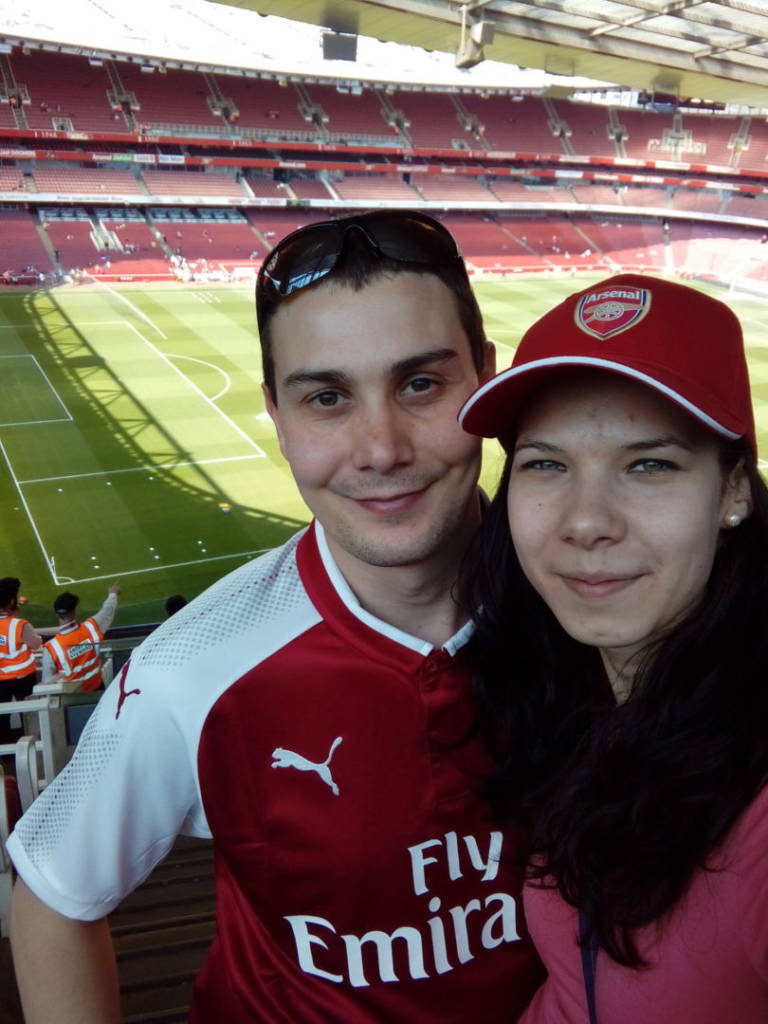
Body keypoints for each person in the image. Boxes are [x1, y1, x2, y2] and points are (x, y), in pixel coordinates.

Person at [8, 211, 544, 1024]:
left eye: (421, 384)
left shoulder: (593, 614)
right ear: (277, 415)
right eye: (327, 397)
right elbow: (54, 895)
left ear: (486, 381)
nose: (381, 448)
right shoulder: (192, 669)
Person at [459, 274, 768, 1022]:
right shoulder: (567, 698)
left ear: (732, 490)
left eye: (648, 464)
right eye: (546, 463)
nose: (586, 522)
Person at [41, 584, 121, 691]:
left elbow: (47, 682)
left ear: (56, 614)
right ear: (75, 611)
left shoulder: (51, 648)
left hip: (72, 696)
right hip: (98, 689)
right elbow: (107, 611)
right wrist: (113, 594)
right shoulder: (91, 627)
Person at [0, 577, 42, 718]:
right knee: (29, 714)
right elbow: (36, 644)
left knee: (2, 717)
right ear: (12, 602)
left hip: (2, 679)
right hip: (23, 677)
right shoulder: (19, 625)